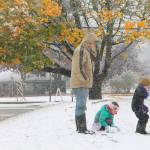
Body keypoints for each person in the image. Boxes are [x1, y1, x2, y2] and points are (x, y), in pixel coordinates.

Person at [70, 32, 98, 134]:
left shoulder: (84, 50)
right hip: (81, 84)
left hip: (80, 83)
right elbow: (79, 68)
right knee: (81, 106)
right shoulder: (81, 50)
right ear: (88, 41)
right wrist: (86, 80)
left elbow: (92, 59)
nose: (93, 45)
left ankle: (80, 128)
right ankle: (82, 129)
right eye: (92, 43)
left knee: (80, 105)